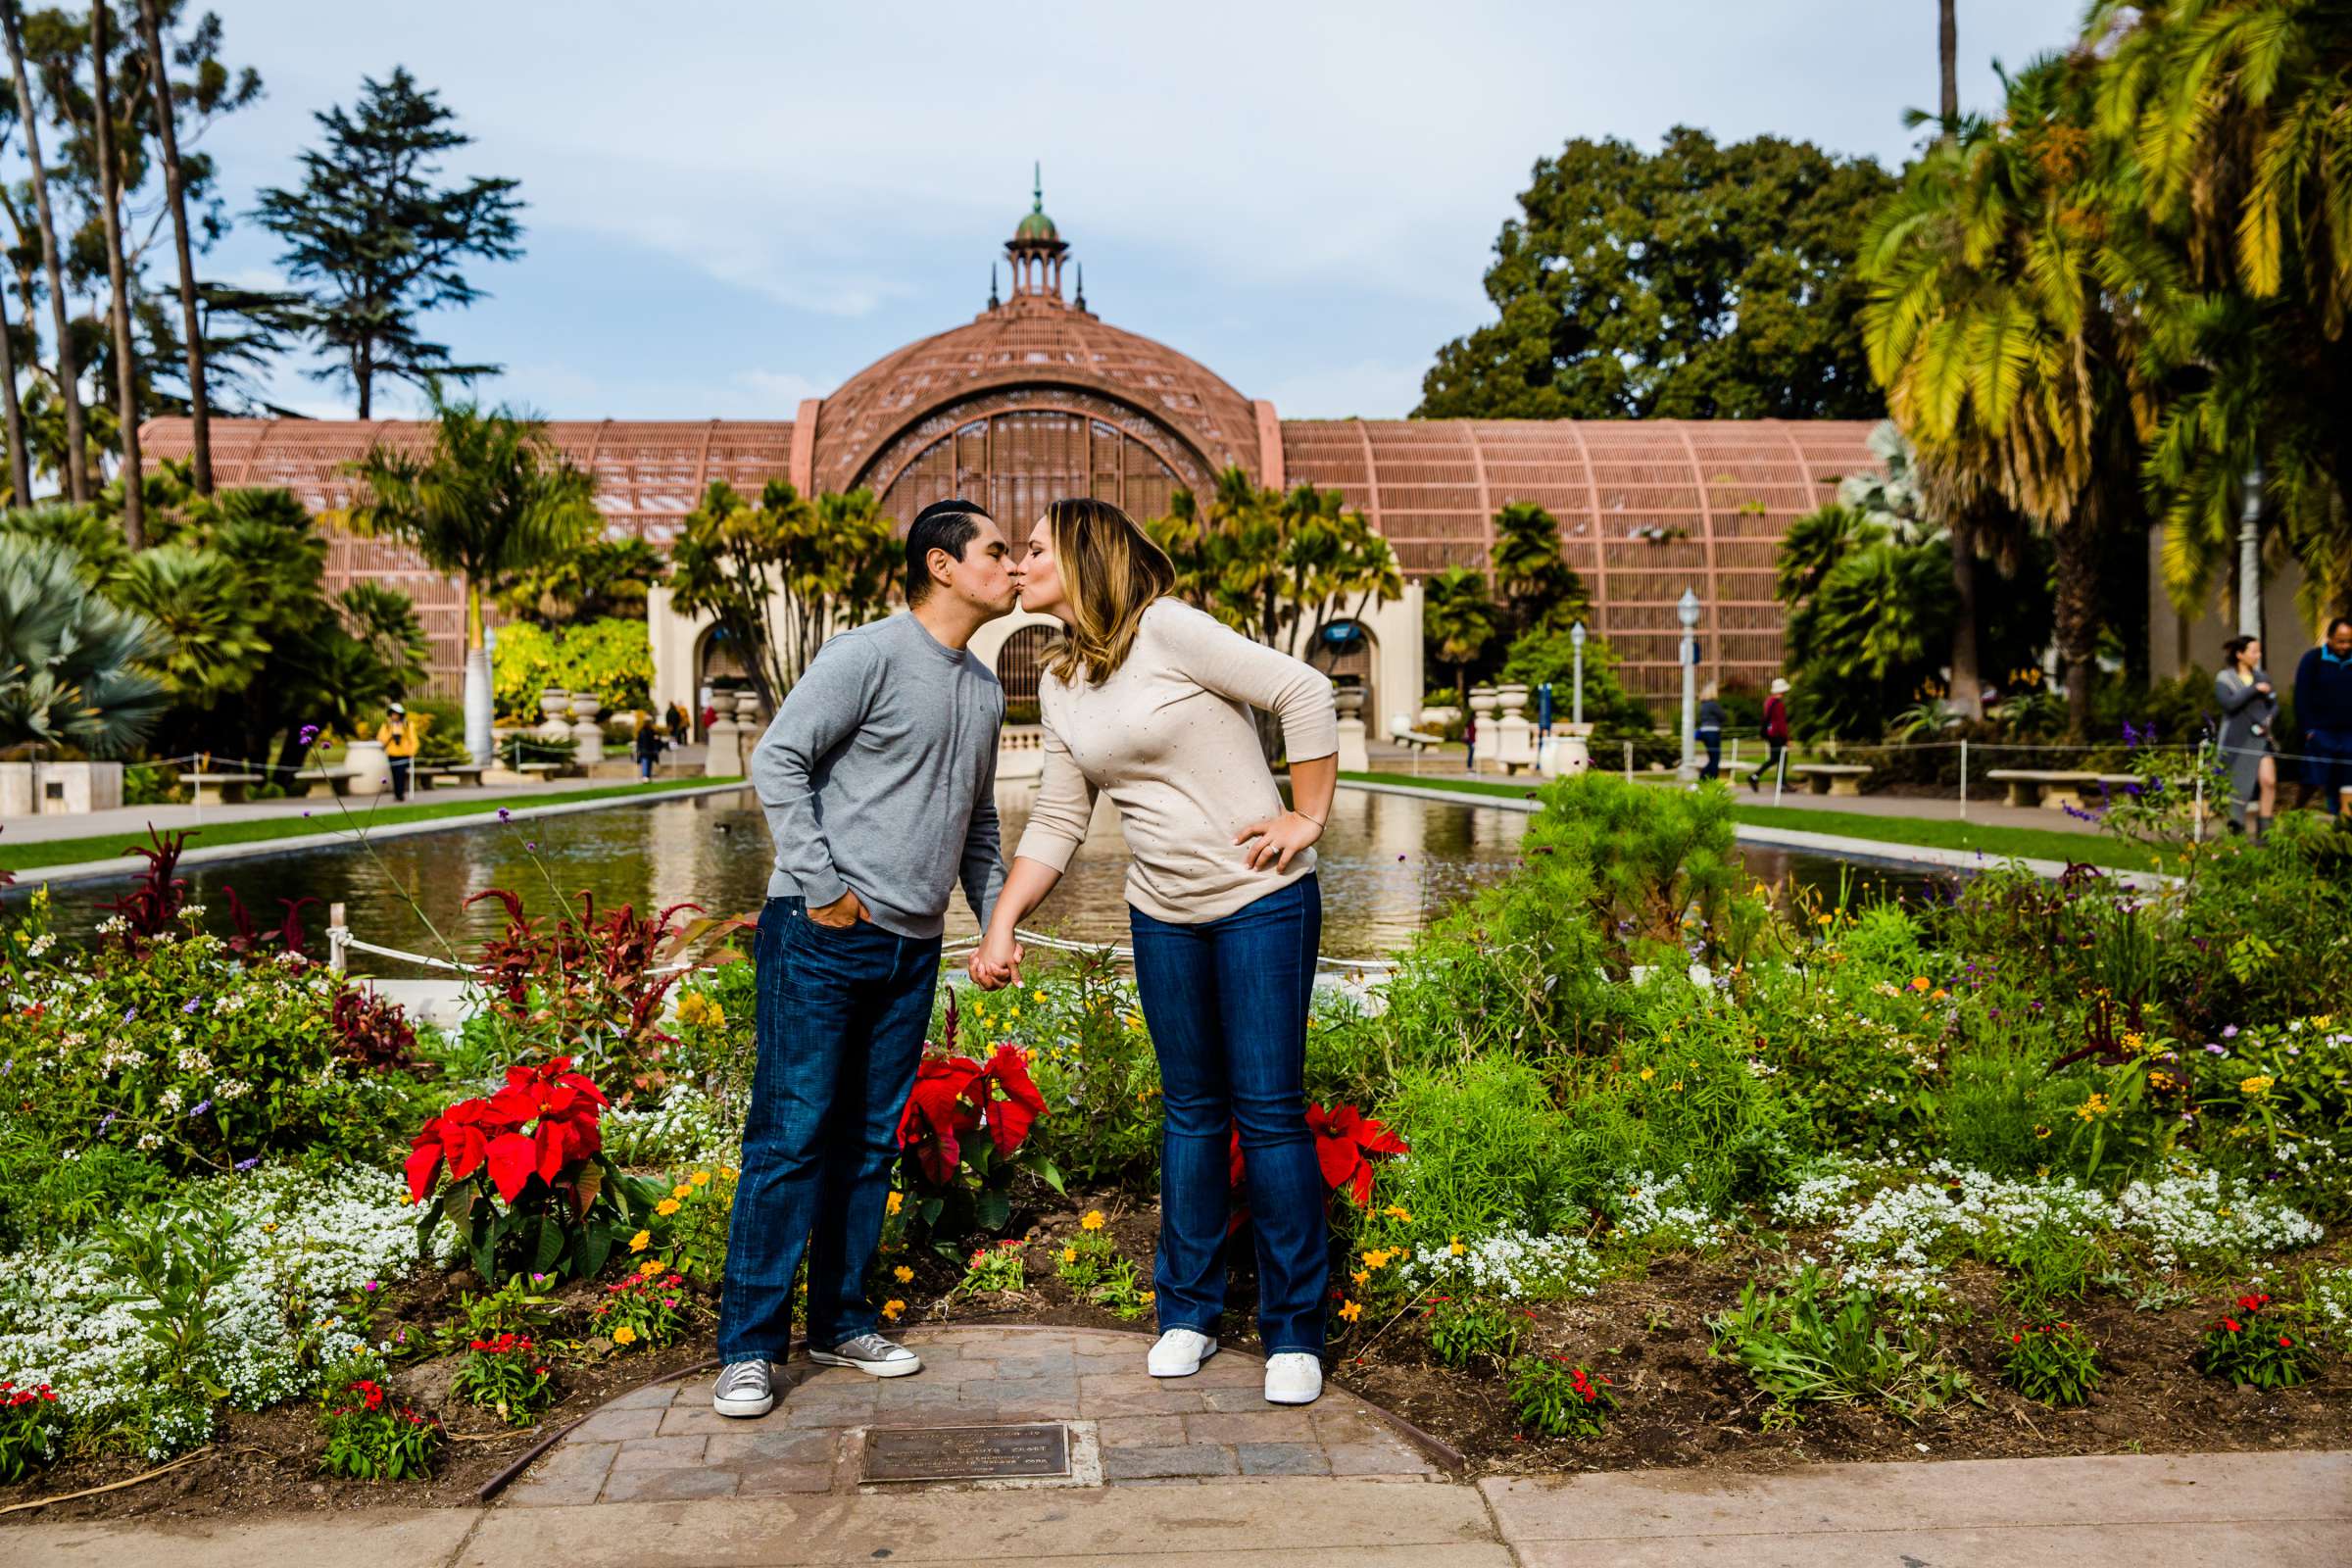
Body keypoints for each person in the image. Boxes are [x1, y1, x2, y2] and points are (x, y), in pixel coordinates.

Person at [970, 498, 1339, 1408]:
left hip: (1259, 902)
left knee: (1269, 1111)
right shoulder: (1060, 682)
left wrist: (1308, 816)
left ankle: (1295, 1330)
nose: (1021, 563)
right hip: (1161, 912)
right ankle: (1188, 1315)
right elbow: (1060, 817)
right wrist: (1004, 920)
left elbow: (1306, 689)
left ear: (1087, 558)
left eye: (1037, 549)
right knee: (1191, 1113)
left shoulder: (1169, 631)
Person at [711, 497, 1017, 1421]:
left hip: (911, 952)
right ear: (942, 565)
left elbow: (980, 818)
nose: (1012, 566)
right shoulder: (867, 655)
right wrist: (823, 888)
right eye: (996, 552)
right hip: (824, 936)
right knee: (791, 1137)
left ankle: (840, 1322)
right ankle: (749, 1351)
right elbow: (779, 761)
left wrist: (995, 917)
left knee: (867, 1143)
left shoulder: (985, 687)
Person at [2214, 635, 2278, 839]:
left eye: (2259, 652)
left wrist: (2268, 719)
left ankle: (2265, 830)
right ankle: (2237, 828)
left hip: (2260, 738)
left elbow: (2273, 704)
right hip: (2236, 738)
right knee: (2239, 785)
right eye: (2254, 652)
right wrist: (2253, 690)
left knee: (2268, 781)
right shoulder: (2224, 678)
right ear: (2239, 655)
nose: (2258, 656)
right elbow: (2229, 704)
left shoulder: (2263, 677)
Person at [2294, 616, 2352, 817]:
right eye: (2341, 641)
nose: (2345, 646)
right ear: (2329, 638)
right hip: (2320, 731)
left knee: (2347, 781)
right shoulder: (2313, 659)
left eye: (2349, 641)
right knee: (2313, 778)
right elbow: (2301, 695)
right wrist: (2308, 730)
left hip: (2348, 733)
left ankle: (2342, 824)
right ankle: (2297, 812)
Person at [1748, 678, 1790, 792]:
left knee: (1774, 758)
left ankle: (1755, 776)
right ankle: (1781, 783)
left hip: (1770, 733)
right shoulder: (1778, 704)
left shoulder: (1769, 701)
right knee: (1782, 758)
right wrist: (1786, 738)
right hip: (1777, 734)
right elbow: (1781, 722)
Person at [377, 704, 420, 801]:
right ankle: (397, 794)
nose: (395, 716)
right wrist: (391, 736)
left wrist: (411, 752)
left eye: (397, 714)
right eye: (393, 714)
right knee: (395, 775)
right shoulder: (387, 726)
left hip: (404, 755)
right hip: (392, 755)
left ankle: (400, 795)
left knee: (401, 775)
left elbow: (414, 741)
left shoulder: (407, 725)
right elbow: (381, 740)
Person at [1696, 683, 1727, 782]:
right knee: (1715, 759)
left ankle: (1706, 778)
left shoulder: (1703, 705)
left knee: (1712, 757)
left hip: (1704, 732)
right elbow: (1723, 716)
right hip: (1713, 732)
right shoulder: (1713, 705)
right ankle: (1707, 778)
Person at [633, 715, 665, 782]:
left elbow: (656, 741)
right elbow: (641, 742)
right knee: (645, 763)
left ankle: (647, 776)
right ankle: (645, 776)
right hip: (646, 751)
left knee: (648, 764)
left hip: (648, 751)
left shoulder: (650, 731)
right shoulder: (644, 731)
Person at [1463, 710, 1478, 774]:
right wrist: (1466, 736)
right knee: (1471, 754)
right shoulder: (1470, 723)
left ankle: (1471, 767)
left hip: (1474, 740)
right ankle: (1469, 767)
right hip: (1471, 740)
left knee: (1472, 754)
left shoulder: (1476, 722)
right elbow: (1466, 730)